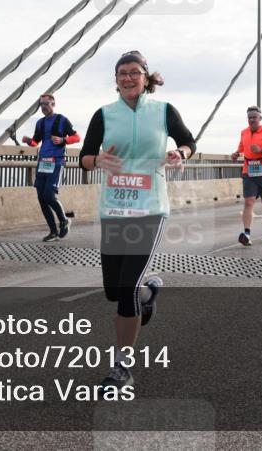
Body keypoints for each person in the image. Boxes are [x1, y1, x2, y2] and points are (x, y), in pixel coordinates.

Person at [79, 51, 195, 392]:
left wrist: (180, 153)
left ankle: (122, 368)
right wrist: (97, 159)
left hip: (150, 207)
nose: (127, 78)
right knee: (115, 292)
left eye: (134, 73)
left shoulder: (163, 111)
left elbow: (188, 142)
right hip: (114, 209)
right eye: (121, 74)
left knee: (126, 288)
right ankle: (150, 291)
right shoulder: (104, 115)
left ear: (146, 77)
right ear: (116, 80)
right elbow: (84, 158)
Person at [22, 94, 81, 242]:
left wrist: (63, 139)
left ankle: (64, 220)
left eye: (46, 104)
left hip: (57, 161)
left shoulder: (62, 120)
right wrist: (29, 140)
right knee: (41, 198)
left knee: (49, 195)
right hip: (43, 162)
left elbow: (77, 137)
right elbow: (36, 142)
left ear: (53, 104)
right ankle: (53, 231)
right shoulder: (40, 123)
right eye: (41, 104)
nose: (43, 107)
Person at [231, 106, 262, 246]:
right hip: (249, 170)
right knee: (249, 201)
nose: (252, 120)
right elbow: (242, 148)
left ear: (260, 118)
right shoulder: (244, 132)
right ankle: (247, 233)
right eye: (249, 117)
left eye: (254, 117)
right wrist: (236, 154)